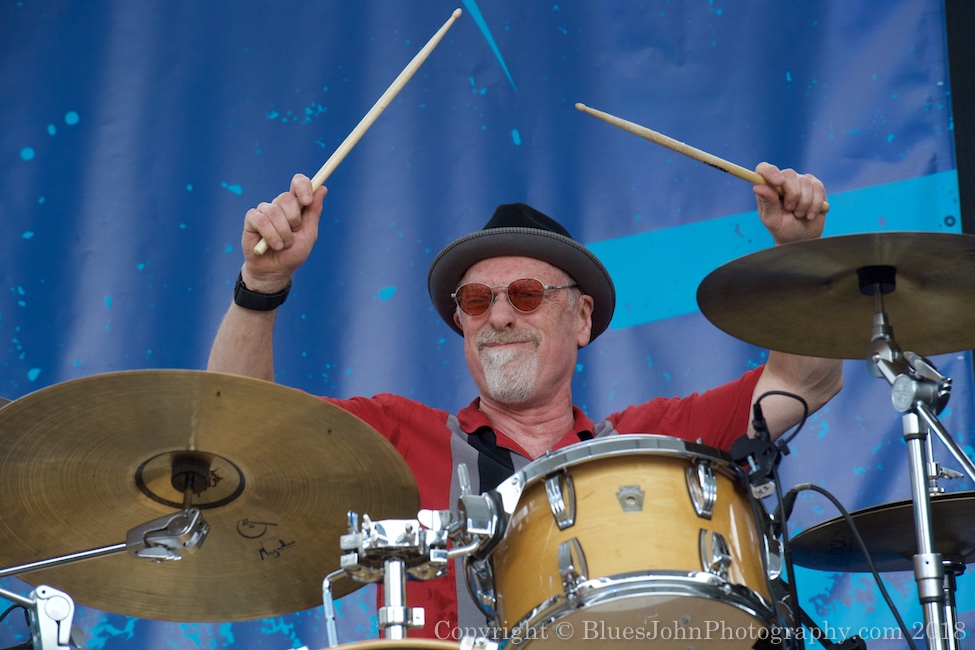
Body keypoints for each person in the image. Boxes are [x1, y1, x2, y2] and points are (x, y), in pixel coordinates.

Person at [207, 162, 843, 639]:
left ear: (583, 318)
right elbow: (241, 433)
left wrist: (802, 251)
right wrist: (262, 283)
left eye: (528, 295)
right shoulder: (398, 436)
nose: (500, 316)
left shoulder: (653, 443)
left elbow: (809, 378)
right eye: (478, 302)